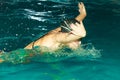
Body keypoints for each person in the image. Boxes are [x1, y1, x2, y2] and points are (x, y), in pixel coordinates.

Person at [0, 2, 87, 63]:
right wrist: (82, 34)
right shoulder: (57, 38)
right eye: (77, 39)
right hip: (27, 54)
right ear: (68, 35)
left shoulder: (61, 30)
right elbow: (78, 34)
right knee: (4, 59)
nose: (79, 43)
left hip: (34, 51)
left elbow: (71, 25)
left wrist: (83, 15)